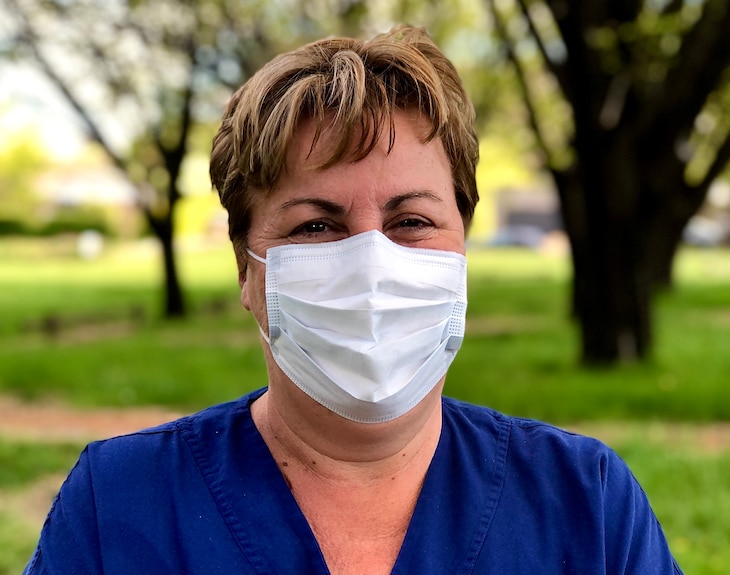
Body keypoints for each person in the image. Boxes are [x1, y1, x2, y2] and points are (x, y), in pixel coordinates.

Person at [24, 26, 683, 574]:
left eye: (412, 222)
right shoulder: (118, 506)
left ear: (462, 253)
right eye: (316, 225)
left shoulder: (587, 507)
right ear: (248, 271)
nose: (372, 262)